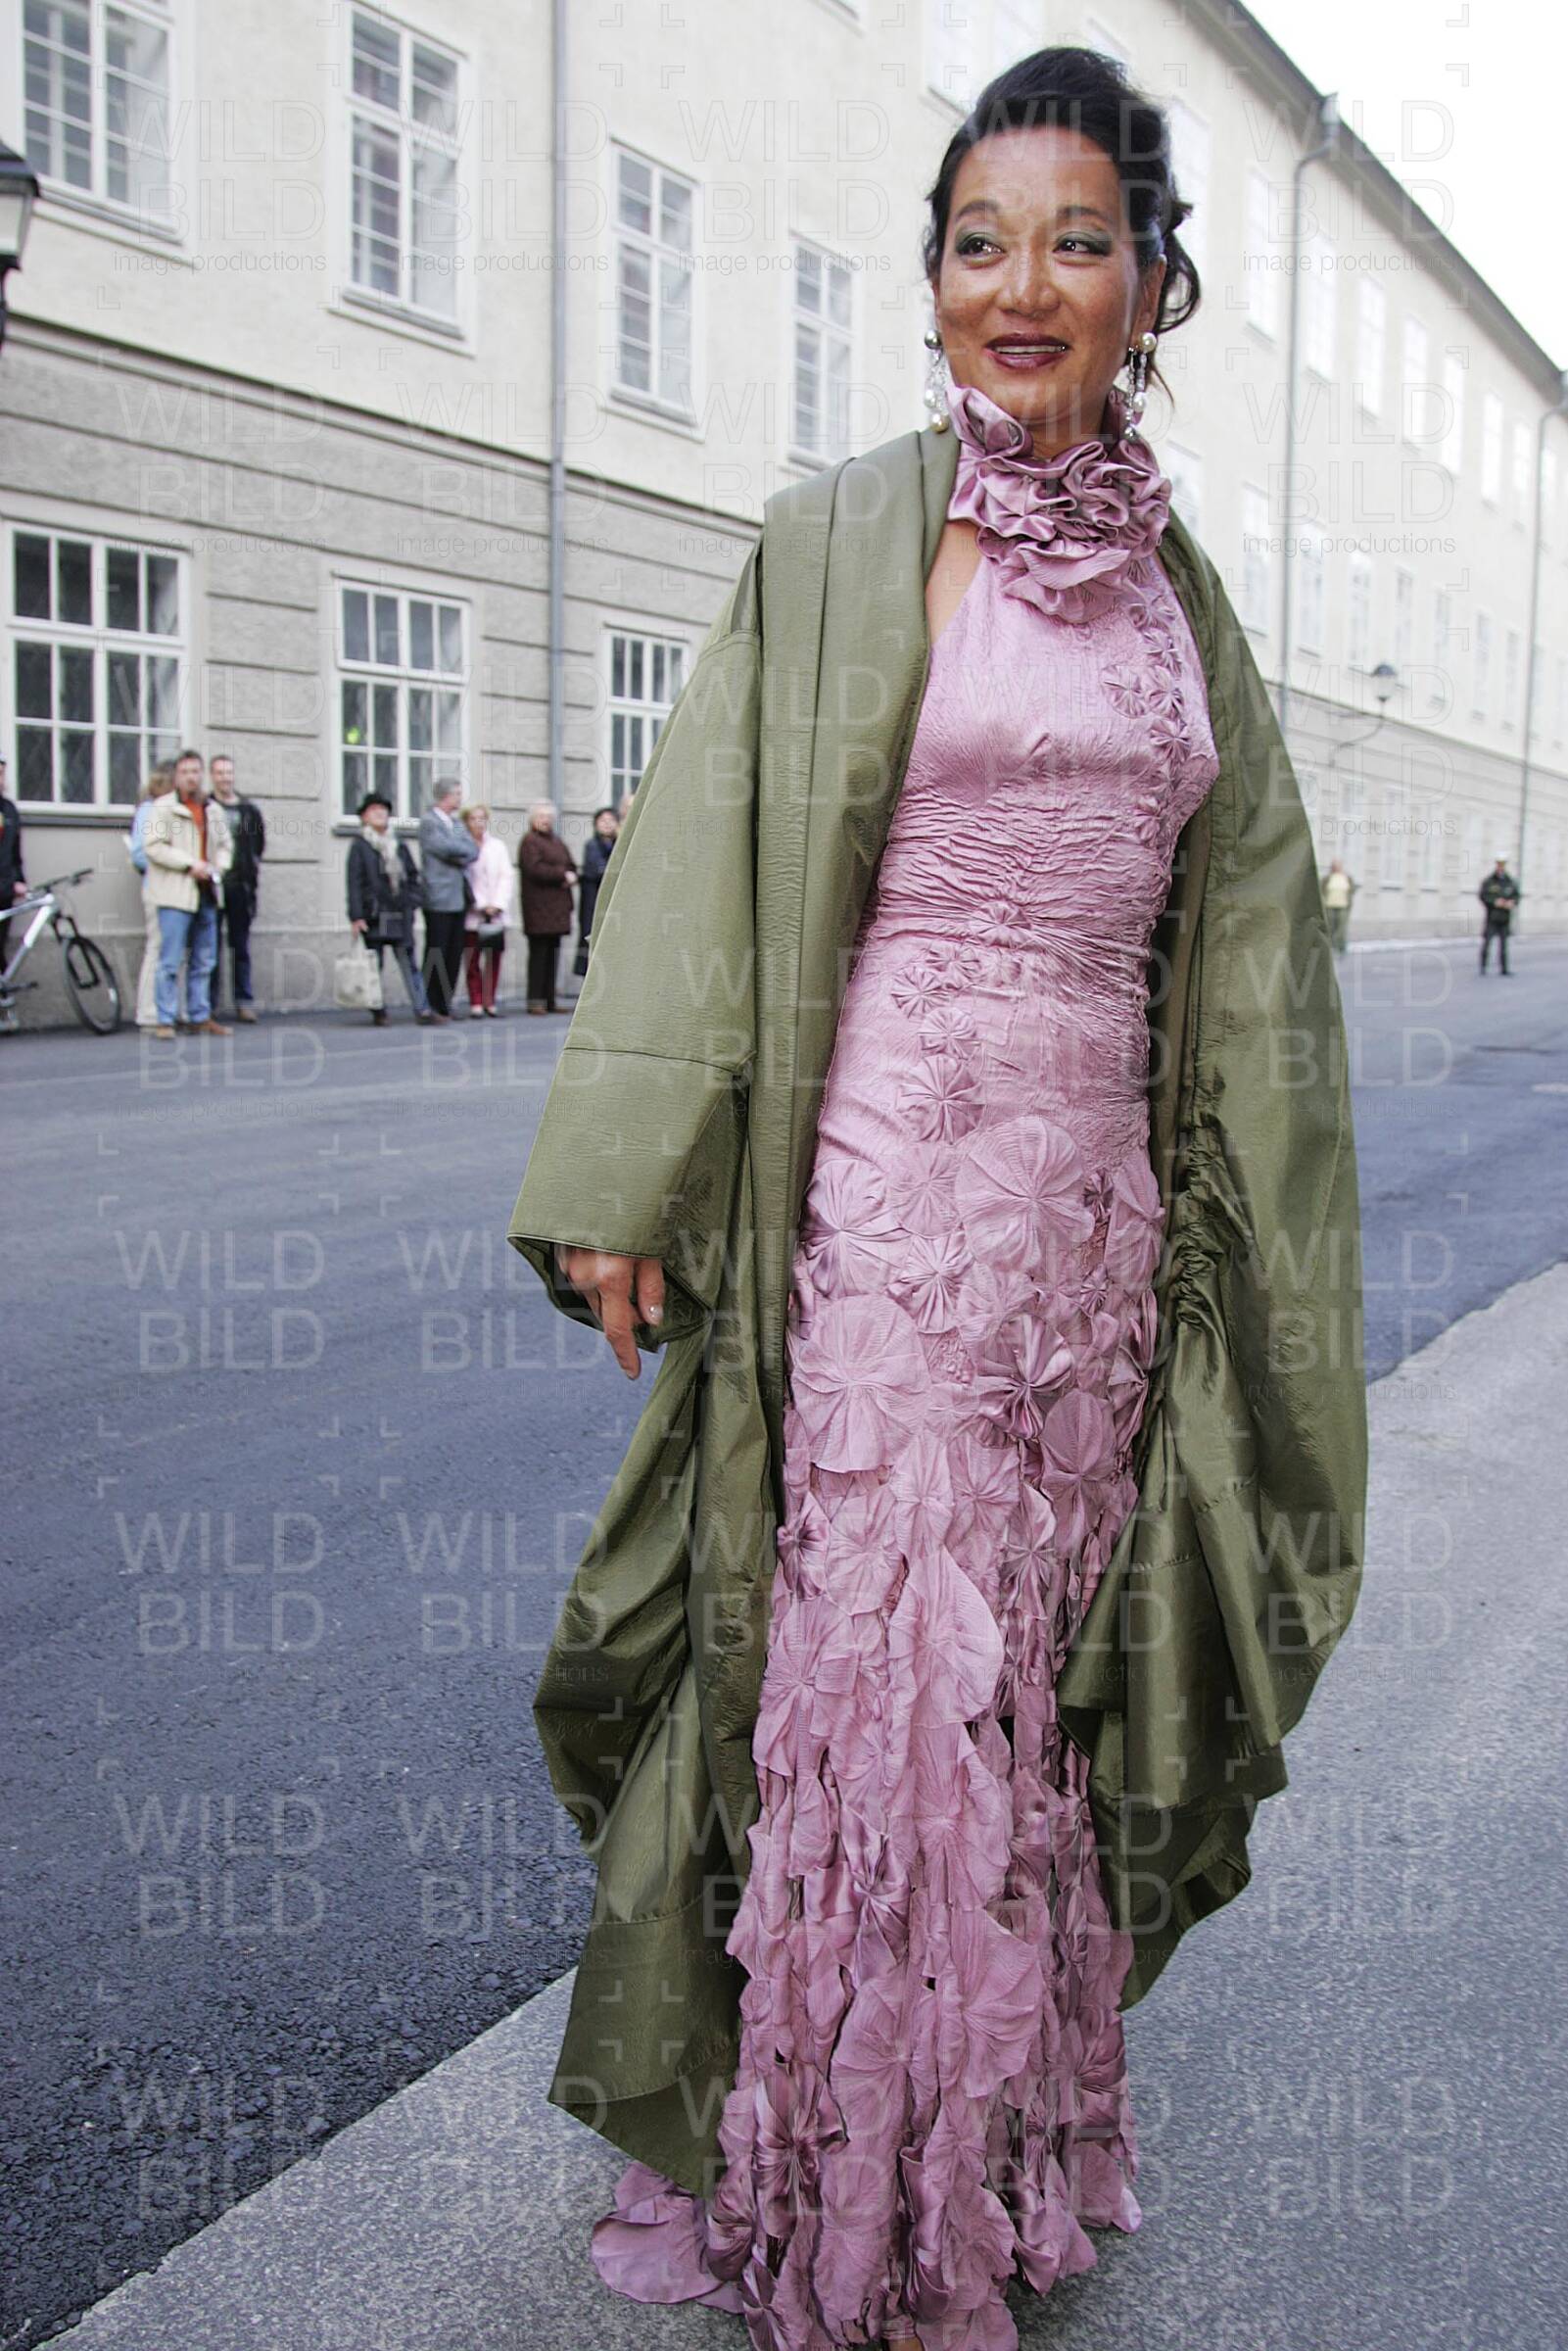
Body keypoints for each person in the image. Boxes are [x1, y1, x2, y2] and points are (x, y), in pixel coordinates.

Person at [505, 47, 1367, 2351]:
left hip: (1089, 1249)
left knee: (1035, 1709)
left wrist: (1244, 1255)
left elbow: (1242, 950)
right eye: (977, 242)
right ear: (926, 284)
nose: (1021, 284)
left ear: (1148, 284)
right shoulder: (837, 540)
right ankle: (851, 2211)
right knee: (887, 1689)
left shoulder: (1185, 600)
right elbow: (702, 858)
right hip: (881, 1216)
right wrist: (632, 1179)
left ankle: (981, 2162)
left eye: (1075, 241)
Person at [143, 749, 233, 1039]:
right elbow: (154, 846)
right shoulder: (163, 807)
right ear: (176, 777)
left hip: (207, 892)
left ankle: (199, 1015)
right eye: (185, 772)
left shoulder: (212, 809)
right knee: (170, 960)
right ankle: (165, 1019)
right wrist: (189, 864)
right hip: (176, 893)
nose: (191, 777)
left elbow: (225, 845)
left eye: (195, 771)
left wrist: (219, 867)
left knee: (204, 960)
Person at [346, 792, 434, 1025]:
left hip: (400, 911)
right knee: (375, 966)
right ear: (364, 817)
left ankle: (423, 1009)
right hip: (374, 913)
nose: (380, 813)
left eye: (383, 809)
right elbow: (354, 883)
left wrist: (413, 900)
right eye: (374, 810)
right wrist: (356, 916)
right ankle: (378, 1010)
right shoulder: (360, 845)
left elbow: (413, 876)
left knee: (409, 962)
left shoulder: (399, 844)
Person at [209, 752, 266, 1022]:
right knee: (210, 947)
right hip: (213, 886)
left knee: (240, 946)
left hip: (241, 887)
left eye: (228, 772)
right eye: (220, 773)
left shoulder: (248, 810)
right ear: (212, 777)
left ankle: (244, 1001)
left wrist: (249, 871)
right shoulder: (207, 807)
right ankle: (209, 1004)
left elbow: (258, 845)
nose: (225, 778)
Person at [416, 778, 479, 1020]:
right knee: (437, 951)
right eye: (457, 794)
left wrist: (457, 852)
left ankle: (446, 1002)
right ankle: (431, 1003)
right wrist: (458, 852)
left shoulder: (456, 823)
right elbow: (443, 848)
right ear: (446, 796)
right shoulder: (429, 822)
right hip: (438, 898)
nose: (460, 798)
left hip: (458, 898)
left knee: (454, 953)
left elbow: (472, 850)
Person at [127, 763, 176, 1030]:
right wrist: (172, 863)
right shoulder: (149, 810)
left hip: (176, 890)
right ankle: (148, 1012)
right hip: (157, 888)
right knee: (157, 948)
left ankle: (167, 1008)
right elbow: (139, 854)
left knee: (172, 951)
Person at [517, 800, 578, 1014]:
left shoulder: (556, 841)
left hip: (557, 908)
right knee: (539, 954)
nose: (546, 820)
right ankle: (535, 1000)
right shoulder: (530, 841)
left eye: (549, 817)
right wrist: (562, 875)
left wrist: (570, 874)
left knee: (553, 955)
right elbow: (535, 870)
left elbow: (571, 864)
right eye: (541, 816)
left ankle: (550, 999)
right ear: (533, 819)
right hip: (538, 907)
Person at [459, 803, 514, 1017]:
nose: (478, 823)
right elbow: (467, 879)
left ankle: (489, 1000)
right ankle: (475, 1000)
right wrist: (481, 904)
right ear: (467, 822)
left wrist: (497, 904)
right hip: (474, 912)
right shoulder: (463, 845)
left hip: (496, 913)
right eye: (473, 819)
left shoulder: (497, 846)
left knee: (493, 957)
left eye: (482, 818)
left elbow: (506, 876)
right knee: (472, 958)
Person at [573, 804, 620, 975]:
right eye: (603, 820)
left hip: (612, 901)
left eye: (611, 820)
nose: (607, 824)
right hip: (592, 901)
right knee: (590, 936)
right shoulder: (592, 845)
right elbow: (596, 869)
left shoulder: (618, 846)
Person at [0, 757, 27, 981]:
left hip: (5, 890)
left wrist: (19, 880)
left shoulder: (8, 810)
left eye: (2, 774)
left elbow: (15, 852)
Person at [1478, 852, 1520, 975]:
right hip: (1492, 917)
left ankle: (1504, 969)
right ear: (1496, 865)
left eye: (1503, 864)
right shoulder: (1489, 881)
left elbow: (1516, 896)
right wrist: (1494, 902)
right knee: (1487, 942)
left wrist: (1512, 902)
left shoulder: (1510, 881)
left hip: (1505, 918)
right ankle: (1483, 967)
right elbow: (1483, 895)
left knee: (1504, 945)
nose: (1501, 866)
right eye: (1499, 864)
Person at [1319, 854, 1357, 956]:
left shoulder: (1346, 877)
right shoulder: (1327, 878)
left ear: (1341, 867)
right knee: (1330, 927)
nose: (1336, 867)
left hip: (1343, 906)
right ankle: (1331, 947)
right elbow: (1321, 889)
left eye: (1338, 865)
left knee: (1341, 928)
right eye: (1334, 866)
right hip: (1329, 905)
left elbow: (1352, 889)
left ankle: (1341, 947)